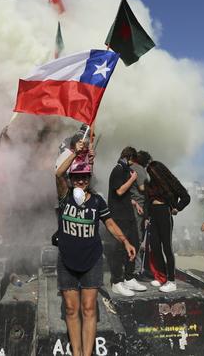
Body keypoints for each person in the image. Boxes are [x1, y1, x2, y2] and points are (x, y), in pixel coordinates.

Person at [55, 141, 136, 356]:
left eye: (85, 177)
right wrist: (75, 152)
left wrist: (126, 241)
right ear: (71, 180)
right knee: (72, 310)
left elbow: (109, 223)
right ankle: (77, 353)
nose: (81, 180)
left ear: (90, 179)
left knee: (89, 309)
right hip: (66, 261)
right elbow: (58, 174)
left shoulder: (98, 201)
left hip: (92, 260)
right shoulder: (64, 198)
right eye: (77, 177)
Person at [144, 161, 190, 292]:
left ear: (159, 172)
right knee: (155, 247)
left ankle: (171, 280)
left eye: (153, 173)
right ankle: (162, 277)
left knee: (167, 247)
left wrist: (177, 208)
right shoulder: (150, 184)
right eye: (150, 174)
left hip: (165, 213)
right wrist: (146, 217)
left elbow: (186, 197)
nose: (151, 175)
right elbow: (147, 202)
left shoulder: (171, 182)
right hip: (153, 215)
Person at [107, 147, 146, 296]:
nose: (132, 165)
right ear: (128, 157)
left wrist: (135, 203)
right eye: (132, 161)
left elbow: (124, 195)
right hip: (119, 216)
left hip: (128, 214)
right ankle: (117, 281)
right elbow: (119, 191)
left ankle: (129, 277)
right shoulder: (117, 169)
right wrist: (132, 179)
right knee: (119, 249)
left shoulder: (124, 170)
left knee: (135, 243)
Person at [129, 150, 149, 277]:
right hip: (139, 208)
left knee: (129, 236)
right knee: (137, 238)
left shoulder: (128, 167)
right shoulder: (140, 169)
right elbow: (142, 188)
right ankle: (136, 269)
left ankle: (129, 267)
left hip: (129, 205)